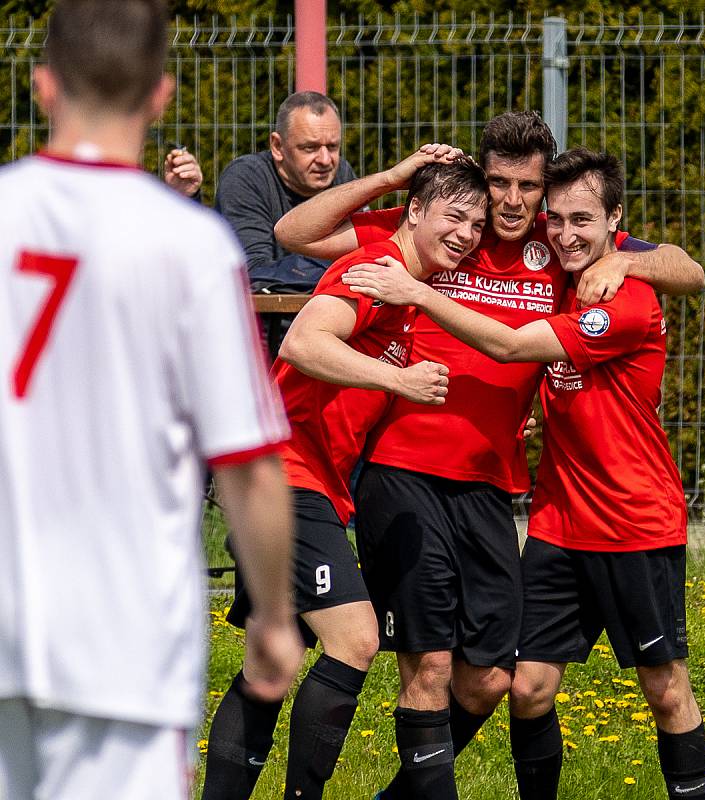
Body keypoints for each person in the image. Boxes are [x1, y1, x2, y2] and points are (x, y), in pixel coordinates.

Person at [276, 113, 705, 800]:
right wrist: (391, 178)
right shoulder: (450, 231)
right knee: (432, 668)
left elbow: (686, 267)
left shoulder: (558, 240)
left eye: (526, 186)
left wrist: (625, 257)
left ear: (544, 188)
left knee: (493, 679)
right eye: (499, 182)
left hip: (494, 490)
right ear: (481, 180)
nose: (510, 200)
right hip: (405, 474)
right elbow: (293, 234)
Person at [0, 2, 303, 799]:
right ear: (161, 94)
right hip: (121, 640)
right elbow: (247, 464)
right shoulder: (189, 244)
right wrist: (273, 618)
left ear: (42, 86)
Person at [200, 156, 489, 800]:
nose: (468, 234)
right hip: (285, 476)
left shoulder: (412, 293)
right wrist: (400, 379)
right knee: (355, 638)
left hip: (302, 482)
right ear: (416, 212)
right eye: (454, 216)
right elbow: (302, 343)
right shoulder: (376, 269)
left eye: (477, 222)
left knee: (271, 657)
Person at [216, 90, 359, 357]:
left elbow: (364, 258)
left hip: (324, 332)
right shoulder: (247, 179)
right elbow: (256, 274)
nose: (326, 160)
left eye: (333, 147)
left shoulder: (343, 175)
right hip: (257, 341)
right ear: (277, 147)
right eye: (310, 148)